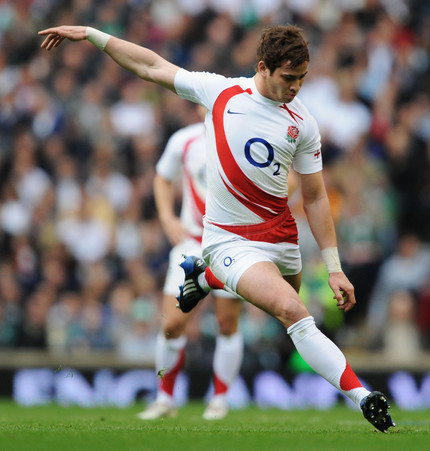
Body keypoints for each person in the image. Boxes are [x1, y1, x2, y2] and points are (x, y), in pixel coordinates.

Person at [39, 24, 395, 432]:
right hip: (228, 240)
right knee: (294, 311)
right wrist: (91, 34)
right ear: (262, 68)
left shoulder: (303, 122)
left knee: (285, 307)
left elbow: (314, 197)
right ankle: (363, 397)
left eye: (302, 77)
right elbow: (150, 66)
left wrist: (334, 267)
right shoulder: (222, 93)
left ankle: (206, 278)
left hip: (281, 239)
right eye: (288, 78)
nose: (296, 86)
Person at [138, 107, 243, 420]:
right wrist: (166, 217)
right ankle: (164, 398)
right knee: (172, 324)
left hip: (230, 245)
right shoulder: (184, 141)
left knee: (227, 323)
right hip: (192, 244)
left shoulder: (243, 138)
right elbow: (162, 177)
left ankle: (220, 399)